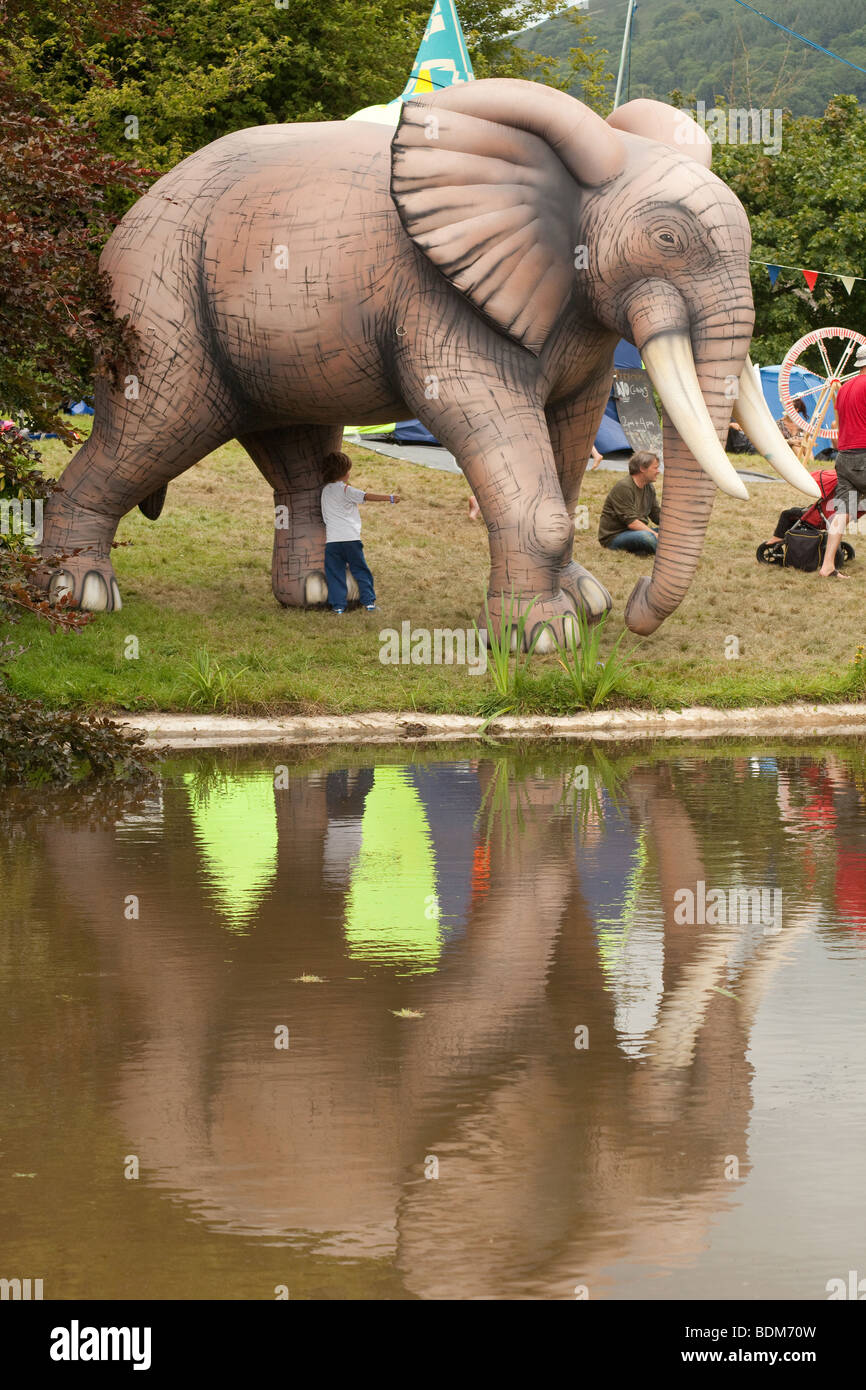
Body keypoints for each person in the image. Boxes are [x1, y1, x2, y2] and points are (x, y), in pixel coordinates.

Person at [320, 452, 400, 613]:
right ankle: (369, 603)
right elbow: (366, 496)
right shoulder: (345, 490)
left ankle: (338, 607)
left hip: (332, 541)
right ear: (343, 472)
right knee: (360, 570)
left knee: (335, 573)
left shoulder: (325, 491)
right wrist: (390, 498)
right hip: (350, 539)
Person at [820, 345, 866, 577]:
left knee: (843, 510)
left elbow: (841, 425)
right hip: (863, 457)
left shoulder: (845, 389)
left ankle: (828, 565)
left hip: (844, 458)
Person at [597, 451, 661, 554]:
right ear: (642, 468)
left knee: (670, 534)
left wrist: (675, 527)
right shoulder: (624, 487)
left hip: (636, 532)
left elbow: (656, 514)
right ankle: (667, 551)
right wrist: (655, 534)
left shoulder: (649, 487)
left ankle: (644, 550)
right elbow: (632, 523)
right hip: (615, 536)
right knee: (647, 537)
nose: (658, 471)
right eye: (655, 468)